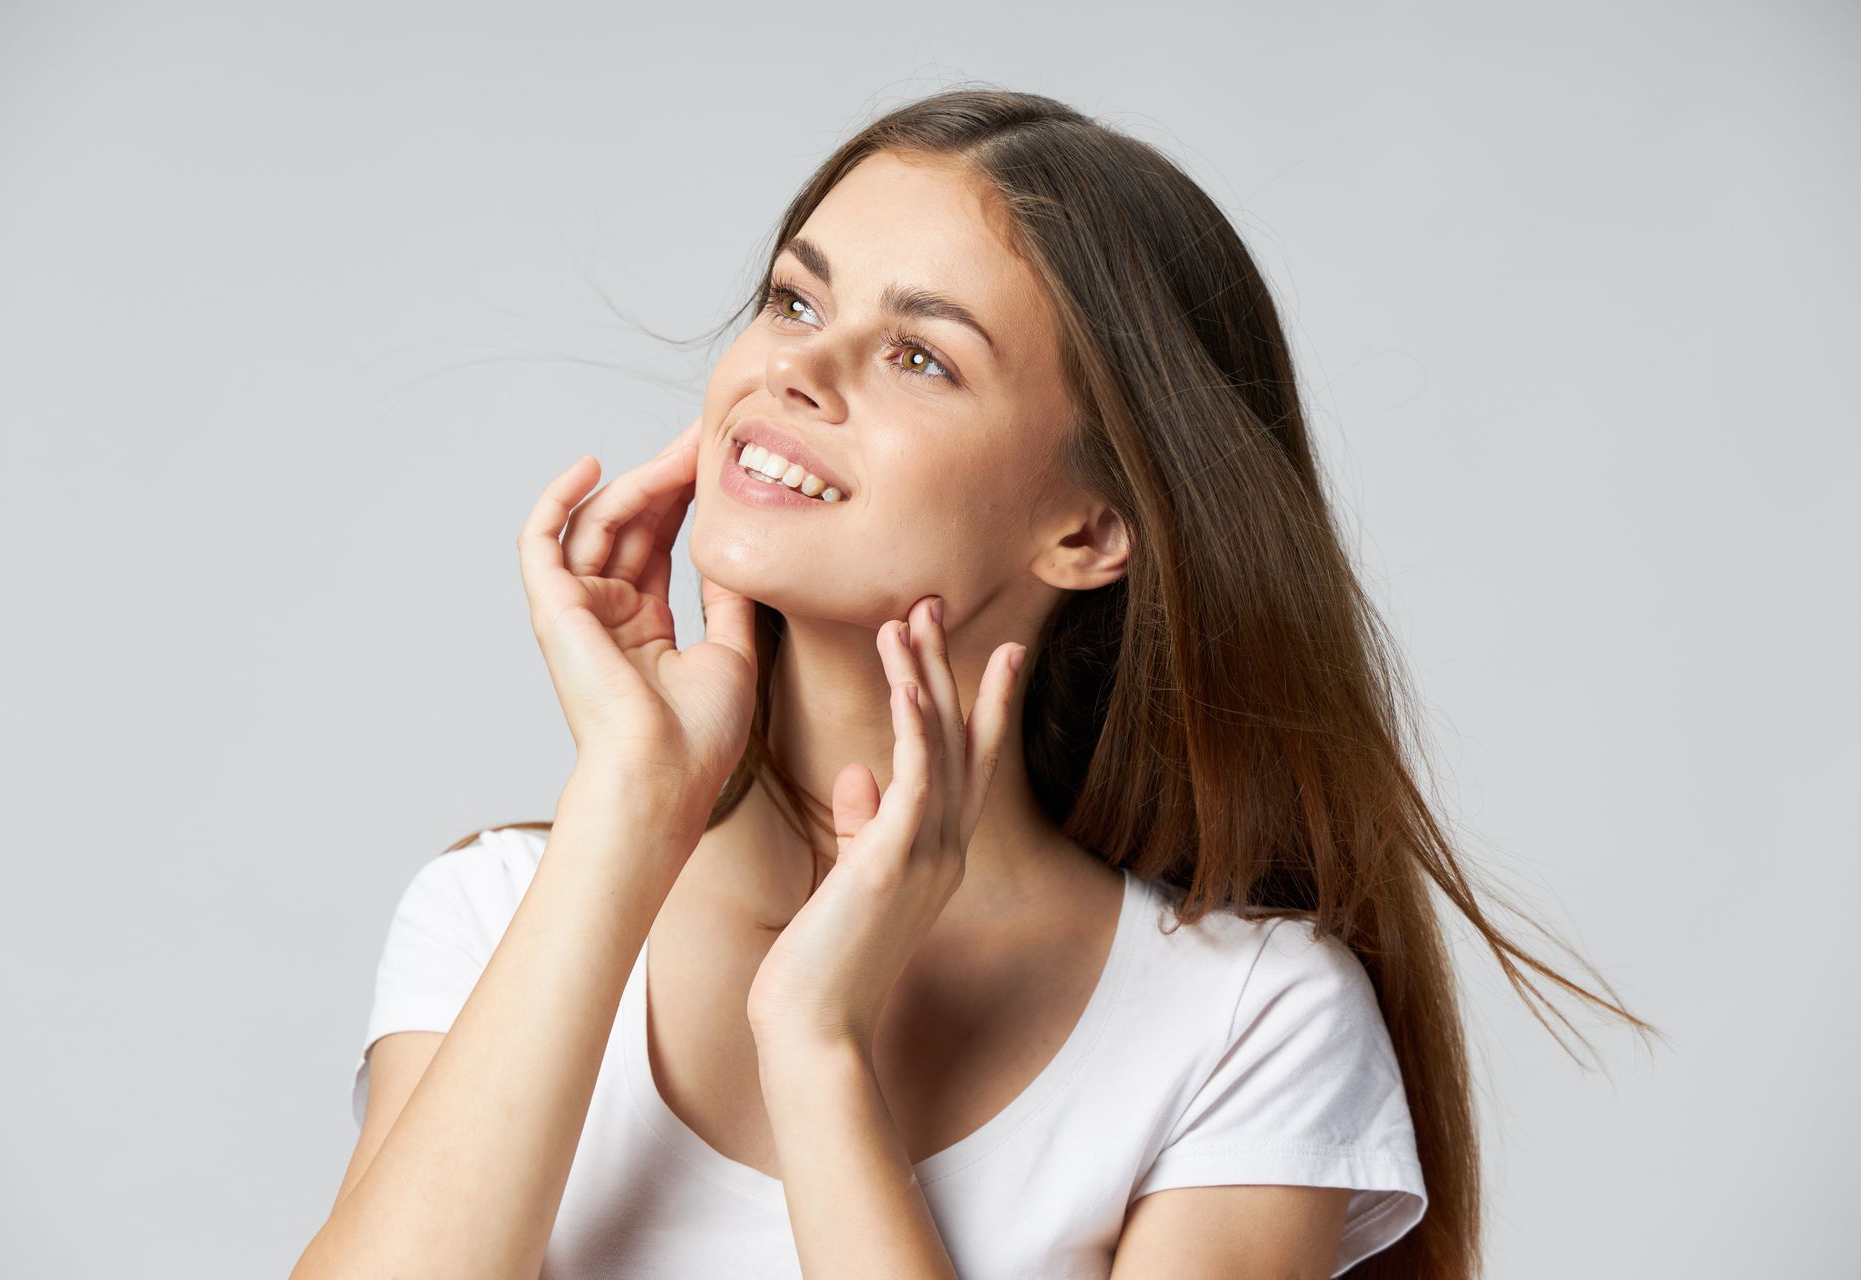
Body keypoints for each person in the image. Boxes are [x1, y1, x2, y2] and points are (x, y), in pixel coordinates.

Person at [292, 88, 1659, 1280]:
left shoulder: (1248, 1024)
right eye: (794, 300)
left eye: (920, 355)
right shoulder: (492, 915)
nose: (795, 369)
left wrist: (817, 1048)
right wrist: (631, 803)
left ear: (1092, 528)